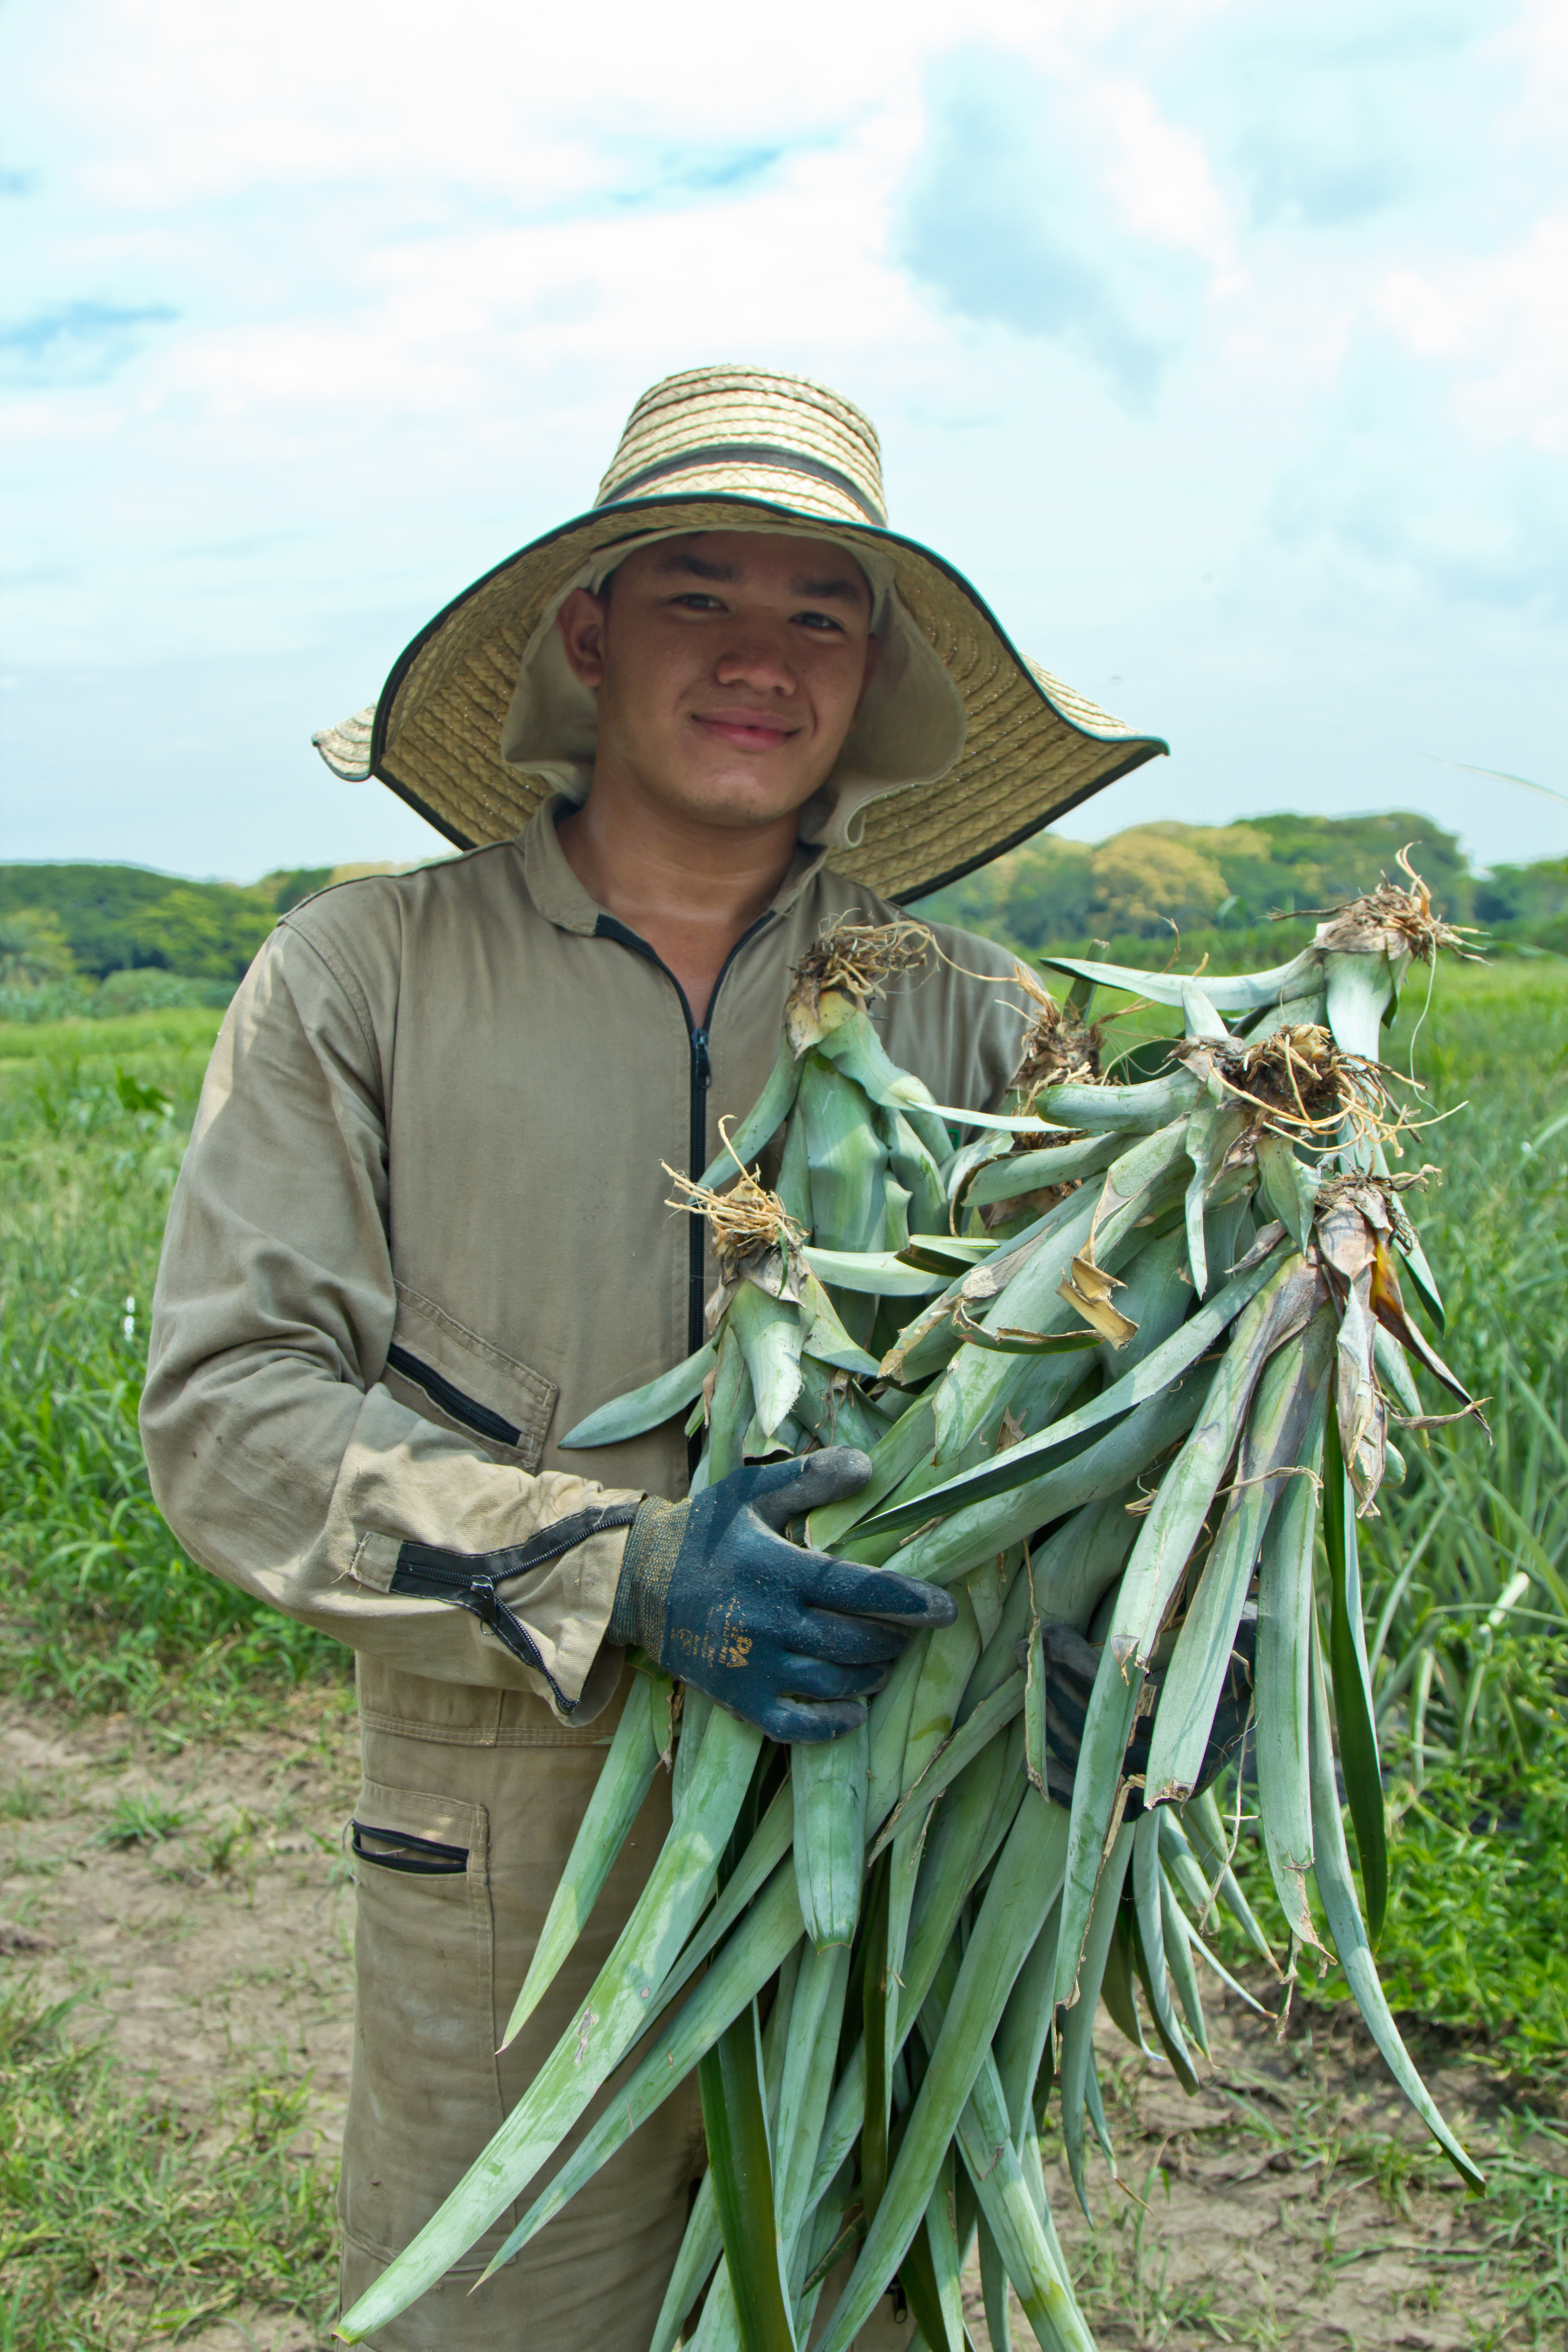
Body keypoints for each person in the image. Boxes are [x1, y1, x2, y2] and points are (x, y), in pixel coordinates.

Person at [141, 365, 1165, 2349]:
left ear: (869, 674)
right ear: (592, 637)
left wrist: (1130, 1629)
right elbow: (235, 1415)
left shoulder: (985, 1019)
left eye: (822, 611)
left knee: (862, 2304)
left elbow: (1094, 1408)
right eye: (700, 595)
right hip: (507, 1853)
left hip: (891, 1839)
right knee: (509, 2314)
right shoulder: (365, 976)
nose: (759, 658)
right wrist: (625, 1568)